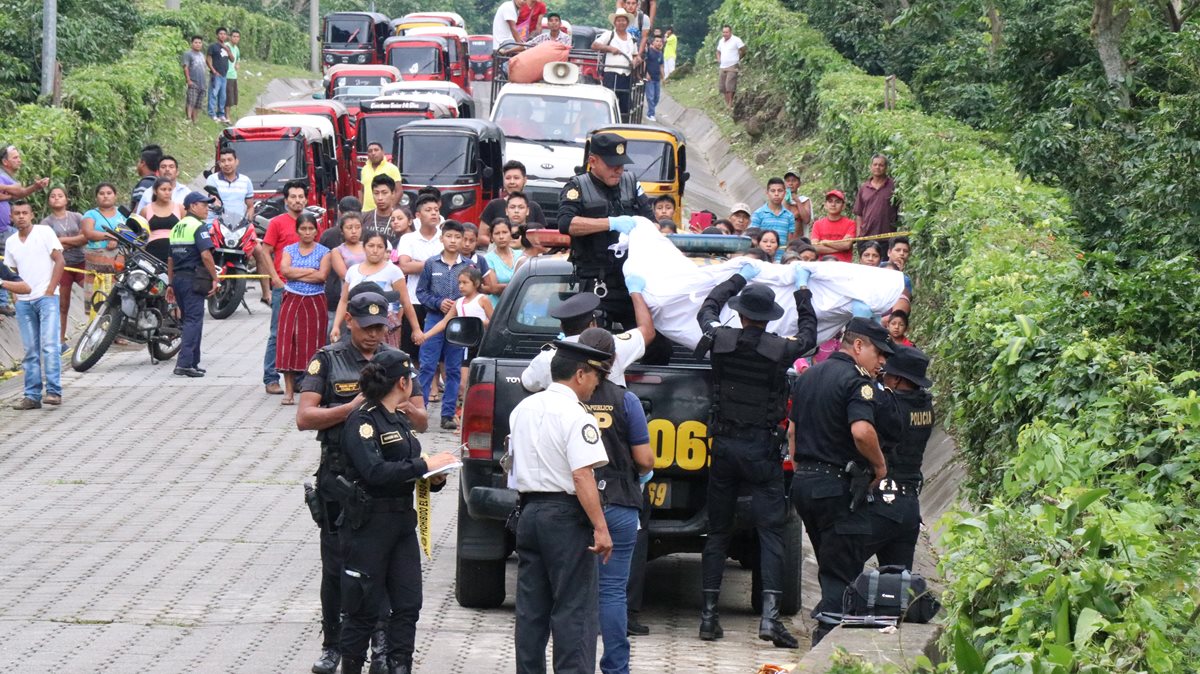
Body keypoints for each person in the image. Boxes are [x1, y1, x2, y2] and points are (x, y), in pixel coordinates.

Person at [694, 261, 817, 649]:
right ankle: (769, 619)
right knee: (771, 533)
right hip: (762, 451)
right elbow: (809, 335)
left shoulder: (719, 339)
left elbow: (707, 308)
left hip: (723, 449)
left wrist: (737, 279)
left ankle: (709, 617)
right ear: (767, 319)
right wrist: (802, 291)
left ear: (742, 314)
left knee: (717, 532)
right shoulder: (780, 350)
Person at [298, 289, 421, 674]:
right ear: (349, 320)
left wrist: (399, 406)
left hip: (382, 482)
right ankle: (333, 644)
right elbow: (304, 417)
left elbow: (422, 418)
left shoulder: (394, 362)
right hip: (340, 479)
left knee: (382, 569)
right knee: (337, 567)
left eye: (380, 327)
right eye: (366, 326)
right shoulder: (328, 359)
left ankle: (382, 645)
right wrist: (352, 409)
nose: (373, 334)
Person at [335, 349, 458, 674]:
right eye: (410, 380)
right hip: (369, 525)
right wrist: (423, 466)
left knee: (407, 605)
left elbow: (408, 467)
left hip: (402, 524)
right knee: (362, 608)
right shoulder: (362, 420)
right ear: (402, 383)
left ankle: (400, 666)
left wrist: (433, 476)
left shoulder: (400, 419)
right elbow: (374, 471)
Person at [509, 339, 613, 674]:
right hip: (565, 517)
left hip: (529, 512)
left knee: (531, 610)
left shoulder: (522, 409)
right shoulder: (577, 415)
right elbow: (582, 475)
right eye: (595, 376)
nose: (597, 384)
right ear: (580, 375)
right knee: (574, 611)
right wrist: (600, 527)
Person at [789, 316, 894, 645]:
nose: (882, 361)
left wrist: (803, 467)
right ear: (858, 345)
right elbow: (862, 431)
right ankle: (828, 645)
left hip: (805, 484)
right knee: (843, 570)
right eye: (879, 353)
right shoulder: (857, 382)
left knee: (829, 562)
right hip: (838, 488)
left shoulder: (809, 376)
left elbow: (792, 432)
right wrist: (880, 466)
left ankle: (828, 634)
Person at [559, 327, 653, 672]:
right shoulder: (626, 401)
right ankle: (616, 667)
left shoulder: (566, 400)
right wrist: (641, 473)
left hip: (573, 504)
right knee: (613, 591)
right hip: (619, 501)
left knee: (573, 592)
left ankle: (575, 664)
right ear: (614, 359)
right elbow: (644, 459)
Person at [557, 132, 652, 329]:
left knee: (651, 340)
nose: (618, 170)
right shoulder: (577, 187)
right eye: (612, 165)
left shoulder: (631, 183)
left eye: (622, 164)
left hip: (631, 281)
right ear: (593, 161)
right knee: (595, 340)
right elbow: (567, 224)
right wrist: (610, 223)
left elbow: (654, 223)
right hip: (596, 282)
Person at [866, 346, 933, 570]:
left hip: (882, 501)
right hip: (910, 504)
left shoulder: (890, 408)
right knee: (898, 580)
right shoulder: (925, 406)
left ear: (896, 380)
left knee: (841, 567)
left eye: (886, 375)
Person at [520, 287, 655, 392]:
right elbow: (647, 331)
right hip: (609, 418)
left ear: (562, 327)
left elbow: (528, 384)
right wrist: (635, 292)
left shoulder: (546, 359)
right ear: (592, 325)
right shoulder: (614, 346)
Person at [4, 199, 65, 409]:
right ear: (11, 217)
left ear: (32, 215)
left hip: (47, 298)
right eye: (17, 213)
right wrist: (15, 297)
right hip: (24, 302)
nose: (21, 216)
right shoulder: (11, 242)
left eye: (25, 213)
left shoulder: (44, 232)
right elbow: (12, 273)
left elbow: (60, 260)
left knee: (50, 345)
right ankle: (32, 395)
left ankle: (54, 391)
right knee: (30, 350)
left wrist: (50, 289)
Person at [416, 220, 471, 430]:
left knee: (454, 369)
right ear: (441, 238)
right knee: (427, 365)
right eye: (449, 236)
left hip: (459, 323)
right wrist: (438, 303)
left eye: (458, 237)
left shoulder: (468, 266)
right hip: (434, 318)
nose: (453, 241)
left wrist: (459, 304)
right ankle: (420, 411)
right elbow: (421, 292)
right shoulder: (431, 264)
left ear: (463, 240)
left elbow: (475, 292)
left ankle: (448, 414)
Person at [332, 231, 422, 348]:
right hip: (358, 323)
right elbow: (344, 301)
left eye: (380, 247)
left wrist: (416, 329)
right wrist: (336, 326)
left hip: (383, 324)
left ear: (385, 249)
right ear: (364, 247)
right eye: (371, 246)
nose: (375, 250)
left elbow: (406, 302)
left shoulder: (393, 271)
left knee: (385, 357)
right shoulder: (352, 271)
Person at [277, 212, 332, 404]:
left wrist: (296, 273)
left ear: (316, 231)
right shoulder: (289, 250)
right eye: (303, 229)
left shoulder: (324, 252)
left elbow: (322, 276)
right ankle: (289, 391)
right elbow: (285, 271)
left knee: (314, 345)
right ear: (297, 231)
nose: (307, 232)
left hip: (315, 301)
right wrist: (309, 271)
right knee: (288, 343)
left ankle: (312, 391)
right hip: (291, 299)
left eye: (311, 229)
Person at [262, 180, 309, 395]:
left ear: (306, 199)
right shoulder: (277, 223)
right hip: (284, 286)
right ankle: (271, 378)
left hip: (306, 287)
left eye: (301, 197)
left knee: (300, 335)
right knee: (277, 333)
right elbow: (265, 251)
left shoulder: (310, 223)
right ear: (286, 200)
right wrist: (275, 279)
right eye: (293, 197)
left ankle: (299, 378)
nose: (297, 201)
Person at [167, 192, 221, 378]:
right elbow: (206, 255)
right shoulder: (198, 226)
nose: (207, 208)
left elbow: (170, 259)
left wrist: (170, 283)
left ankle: (193, 363)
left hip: (179, 279)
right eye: (203, 205)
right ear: (192, 206)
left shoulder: (177, 227)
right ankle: (184, 364)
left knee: (189, 320)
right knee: (193, 321)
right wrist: (215, 278)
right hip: (193, 279)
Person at [420, 266, 493, 404]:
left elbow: (494, 321)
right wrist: (426, 335)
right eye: (459, 282)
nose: (461, 286)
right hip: (465, 345)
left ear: (476, 283)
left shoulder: (483, 299)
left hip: (481, 344)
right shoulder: (458, 303)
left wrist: (480, 322)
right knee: (462, 384)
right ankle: (462, 408)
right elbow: (444, 322)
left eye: (465, 283)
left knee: (479, 380)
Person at [0, 145, 51, 315]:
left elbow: (19, 191)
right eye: (15, 157)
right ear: (5, 161)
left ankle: (18, 298)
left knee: (12, 261)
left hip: (5, 229)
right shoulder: (1, 175)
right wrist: (13, 190)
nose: (19, 160)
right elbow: (17, 190)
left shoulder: (7, 177)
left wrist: (33, 187)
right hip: (3, 231)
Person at [396, 195, 443, 356]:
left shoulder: (445, 237)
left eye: (436, 210)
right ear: (418, 215)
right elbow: (404, 266)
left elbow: (448, 266)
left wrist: (418, 263)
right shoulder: (408, 238)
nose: (434, 213)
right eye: (428, 210)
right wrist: (435, 263)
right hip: (414, 300)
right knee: (412, 350)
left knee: (437, 353)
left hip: (439, 301)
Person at [40, 187, 86, 345]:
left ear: (66, 199)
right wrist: (75, 241)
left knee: (94, 295)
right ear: (49, 201)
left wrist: (61, 241)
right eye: (53, 196)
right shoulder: (46, 223)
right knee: (63, 305)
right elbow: (49, 247)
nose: (56, 198)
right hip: (62, 267)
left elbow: (85, 238)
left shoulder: (77, 216)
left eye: (60, 195)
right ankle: (60, 341)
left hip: (81, 262)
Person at [80, 183, 126, 303]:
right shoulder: (90, 214)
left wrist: (116, 240)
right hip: (95, 266)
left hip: (117, 267)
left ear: (115, 196)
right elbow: (88, 233)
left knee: (114, 302)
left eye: (109, 193)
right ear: (96, 198)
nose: (105, 196)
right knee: (93, 302)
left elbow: (132, 235)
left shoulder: (123, 215)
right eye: (101, 193)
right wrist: (112, 237)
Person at [594, 9, 641, 119]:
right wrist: (609, 48)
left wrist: (636, 61)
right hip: (611, 74)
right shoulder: (609, 35)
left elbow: (635, 55)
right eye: (618, 20)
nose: (621, 23)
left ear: (627, 22)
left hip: (626, 75)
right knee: (610, 101)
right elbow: (594, 45)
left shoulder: (631, 38)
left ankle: (623, 124)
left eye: (623, 20)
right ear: (615, 23)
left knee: (625, 105)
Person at [480, 161, 549, 226]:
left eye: (516, 178)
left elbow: (542, 233)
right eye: (508, 178)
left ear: (525, 180)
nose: (512, 182)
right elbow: (483, 233)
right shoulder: (494, 205)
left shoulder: (534, 207)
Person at [328, 212, 366, 331]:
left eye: (357, 227)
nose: (354, 231)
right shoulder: (338, 251)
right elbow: (345, 276)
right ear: (342, 230)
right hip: (350, 297)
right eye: (349, 228)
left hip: (373, 294)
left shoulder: (369, 246)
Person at [853, 154, 899, 244]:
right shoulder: (864, 188)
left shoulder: (893, 186)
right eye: (875, 164)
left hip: (887, 237)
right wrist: (859, 234)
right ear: (871, 167)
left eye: (881, 165)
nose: (877, 167)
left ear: (886, 168)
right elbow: (859, 213)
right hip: (866, 237)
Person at [141, 177, 184, 262]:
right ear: (155, 191)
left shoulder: (180, 208)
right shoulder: (146, 210)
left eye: (170, 190)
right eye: (163, 189)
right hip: (152, 251)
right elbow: (139, 233)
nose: (167, 193)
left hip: (176, 251)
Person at [482, 219, 521, 306]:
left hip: (519, 306)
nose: (501, 237)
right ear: (491, 237)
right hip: (497, 307)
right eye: (497, 233)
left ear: (510, 234)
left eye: (505, 232)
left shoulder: (521, 255)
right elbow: (494, 288)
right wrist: (519, 286)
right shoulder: (488, 259)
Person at [751, 178, 795, 254]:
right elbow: (753, 238)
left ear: (784, 193)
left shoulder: (789, 216)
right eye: (773, 191)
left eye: (780, 191)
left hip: (782, 258)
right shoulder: (758, 214)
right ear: (767, 192)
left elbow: (789, 242)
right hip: (763, 257)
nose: (776, 194)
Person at [810, 190, 855, 263]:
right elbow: (815, 247)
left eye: (837, 202)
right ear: (825, 205)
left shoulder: (850, 223)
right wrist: (840, 247)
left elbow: (846, 245)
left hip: (844, 265)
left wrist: (825, 242)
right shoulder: (817, 224)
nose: (833, 204)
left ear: (843, 206)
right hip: (823, 264)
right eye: (830, 201)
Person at [360, 143, 402, 214]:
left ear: (383, 152)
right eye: (370, 151)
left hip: (385, 212)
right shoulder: (364, 169)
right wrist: (360, 209)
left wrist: (391, 208)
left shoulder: (392, 168)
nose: (373, 153)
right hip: (366, 212)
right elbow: (362, 191)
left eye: (376, 150)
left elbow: (399, 191)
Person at [715, 25, 745, 109]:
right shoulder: (721, 41)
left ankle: (730, 104)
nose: (725, 34)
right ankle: (727, 103)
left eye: (726, 32)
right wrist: (719, 59)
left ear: (730, 32)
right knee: (723, 87)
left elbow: (743, 49)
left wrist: (739, 57)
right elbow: (718, 51)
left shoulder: (736, 40)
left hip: (733, 65)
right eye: (723, 32)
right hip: (723, 66)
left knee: (730, 85)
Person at [207, 27, 232, 123]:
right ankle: (211, 113)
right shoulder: (213, 46)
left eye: (224, 34)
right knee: (213, 94)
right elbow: (208, 59)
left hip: (224, 75)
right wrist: (213, 70)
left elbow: (232, 59)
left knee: (222, 96)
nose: (222, 36)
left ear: (226, 36)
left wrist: (227, 50)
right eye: (221, 34)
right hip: (216, 74)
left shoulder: (227, 47)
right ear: (217, 35)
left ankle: (221, 114)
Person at [130, 144, 163, 213]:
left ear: (143, 163)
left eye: (138, 161)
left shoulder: (145, 184)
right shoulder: (159, 183)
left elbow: (138, 209)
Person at [182, 35, 206, 124]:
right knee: (191, 101)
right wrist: (188, 80)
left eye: (200, 43)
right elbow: (185, 67)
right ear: (192, 43)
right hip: (193, 81)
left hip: (202, 83)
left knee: (198, 104)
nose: (198, 44)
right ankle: (188, 118)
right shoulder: (188, 54)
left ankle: (194, 120)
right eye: (196, 42)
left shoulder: (202, 55)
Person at [783, 169, 812, 236]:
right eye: (788, 181)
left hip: (798, 239)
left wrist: (797, 201)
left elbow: (806, 220)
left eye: (794, 180)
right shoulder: (779, 200)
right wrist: (786, 200)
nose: (790, 183)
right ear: (784, 184)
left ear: (799, 184)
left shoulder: (804, 200)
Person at [644, 35, 665, 121]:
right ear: (653, 42)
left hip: (657, 78)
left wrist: (663, 77)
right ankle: (650, 114)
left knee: (656, 98)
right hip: (650, 78)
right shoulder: (649, 51)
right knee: (651, 97)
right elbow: (644, 62)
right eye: (657, 41)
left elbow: (661, 66)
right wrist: (646, 73)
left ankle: (651, 111)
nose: (659, 43)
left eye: (660, 41)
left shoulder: (660, 53)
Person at [225, 30, 240, 120]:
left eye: (237, 37)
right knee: (228, 97)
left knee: (232, 97)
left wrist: (237, 65)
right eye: (234, 36)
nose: (235, 38)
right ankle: (227, 116)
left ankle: (227, 115)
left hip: (233, 75)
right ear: (230, 37)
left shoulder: (236, 49)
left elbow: (238, 59)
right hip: (226, 75)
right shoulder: (226, 46)